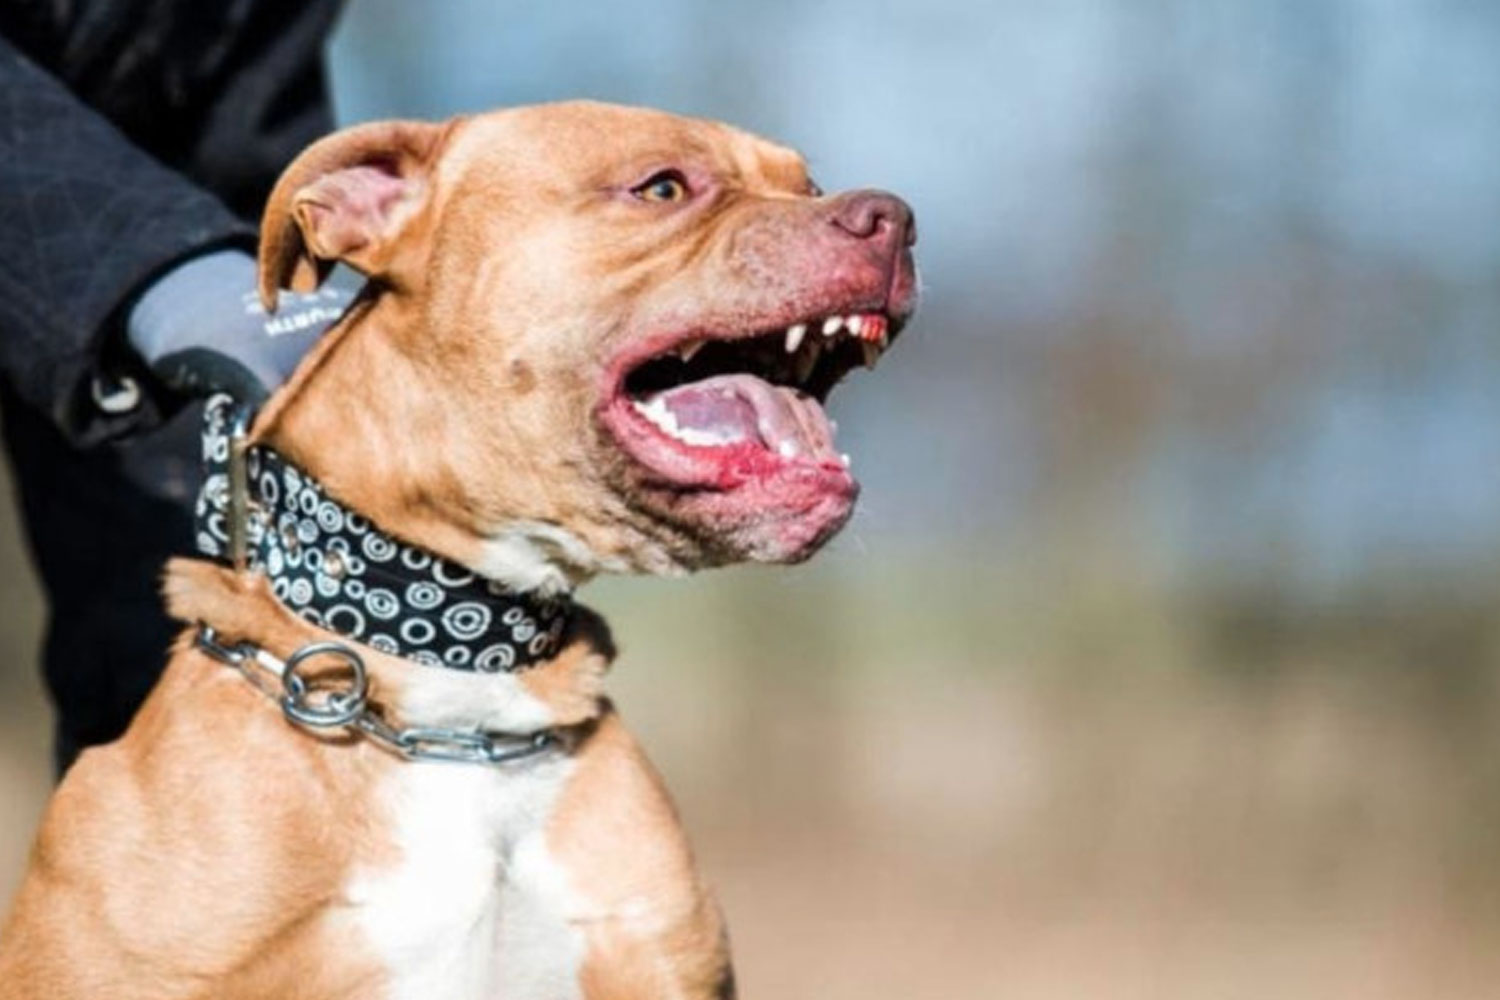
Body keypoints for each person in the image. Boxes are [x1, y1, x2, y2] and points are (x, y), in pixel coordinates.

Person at [0, 1, 353, 771]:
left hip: (165, 196)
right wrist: (156, 268)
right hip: (130, 244)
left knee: (196, 704)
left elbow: (234, 115)